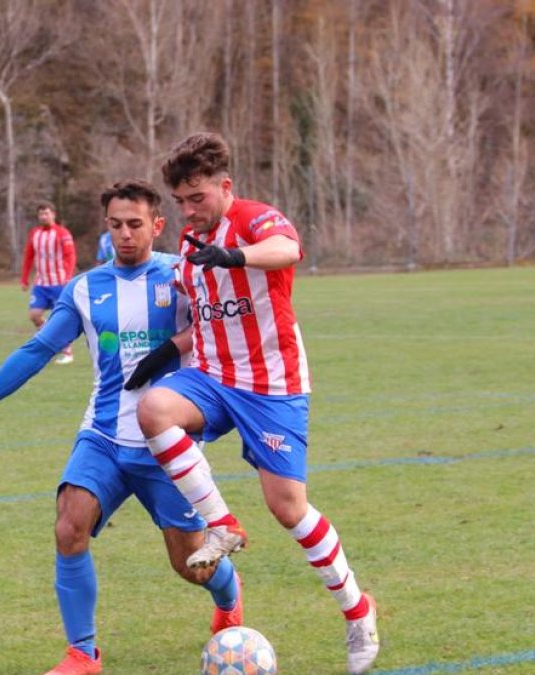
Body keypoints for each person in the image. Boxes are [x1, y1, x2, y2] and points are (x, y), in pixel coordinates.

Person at [0, 180, 243, 675]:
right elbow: (38, 349)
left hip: (167, 445)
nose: (125, 234)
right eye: (116, 225)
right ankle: (83, 653)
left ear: (157, 225)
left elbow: (221, 327)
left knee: (191, 564)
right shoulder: (84, 288)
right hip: (103, 436)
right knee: (68, 524)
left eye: (135, 224)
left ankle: (229, 597)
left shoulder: (180, 276)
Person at [131, 133, 379, 674]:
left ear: (225, 187)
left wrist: (235, 255)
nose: (188, 210)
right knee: (154, 410)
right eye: (180, 201)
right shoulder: (190, 251)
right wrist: (168, 352)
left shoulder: (253, 219)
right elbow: (207, 320)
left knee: (289, 508)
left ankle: (358, 611)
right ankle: (223, 524)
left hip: (272, 385)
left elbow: (287, 250)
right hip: (212, 376)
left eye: (197, 198)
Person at [21, 201, 77, 364]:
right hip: (41, 284)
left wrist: (68, 276)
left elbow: (70, 255)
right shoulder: (35, 233)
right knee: (34, 315)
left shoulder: (62, 233)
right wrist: (24, 278)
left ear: (53, 214)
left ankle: (67, 352)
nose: (43, 216)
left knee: (60, 319)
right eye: (41, 214)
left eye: (46, 213)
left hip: (58, 283)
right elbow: (29, 256)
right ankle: (52, 338)